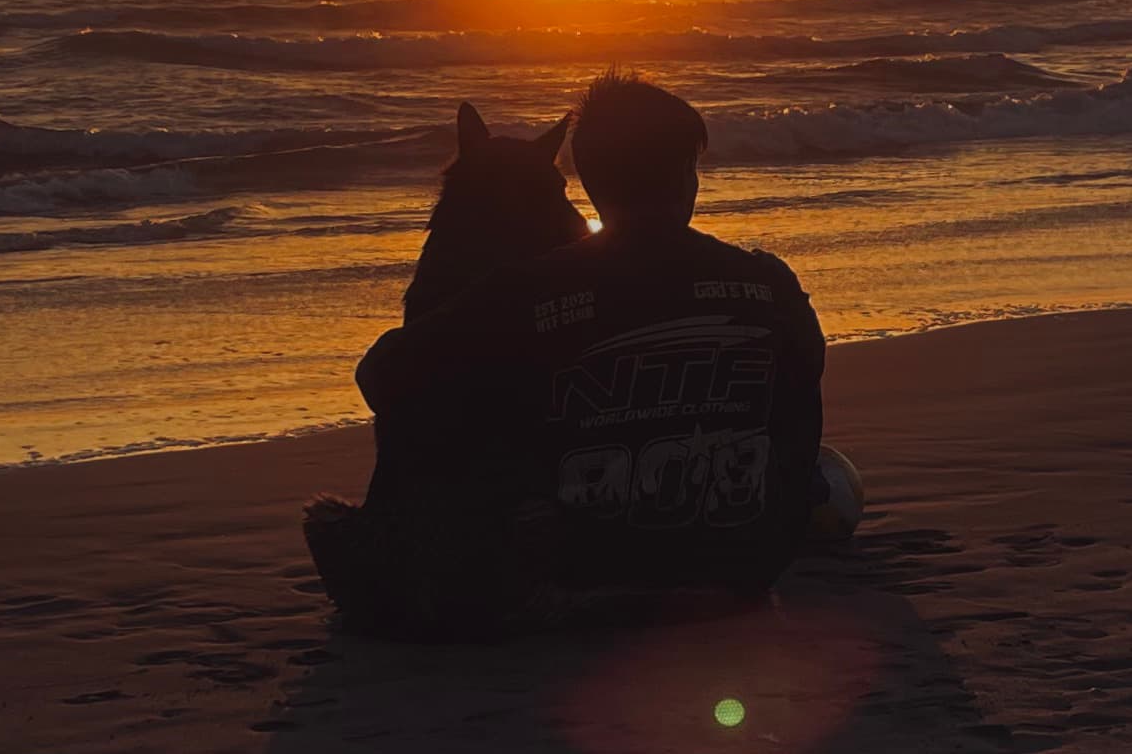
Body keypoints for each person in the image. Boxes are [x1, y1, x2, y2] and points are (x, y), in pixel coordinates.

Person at [316, 71, 826, 637]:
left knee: (335, 528)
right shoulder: (769, 284)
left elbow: (381, 378)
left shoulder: (522, 294)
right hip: (743, 567)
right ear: (688, 176)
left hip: (576, 577)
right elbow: (802, 390)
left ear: (588, 183)